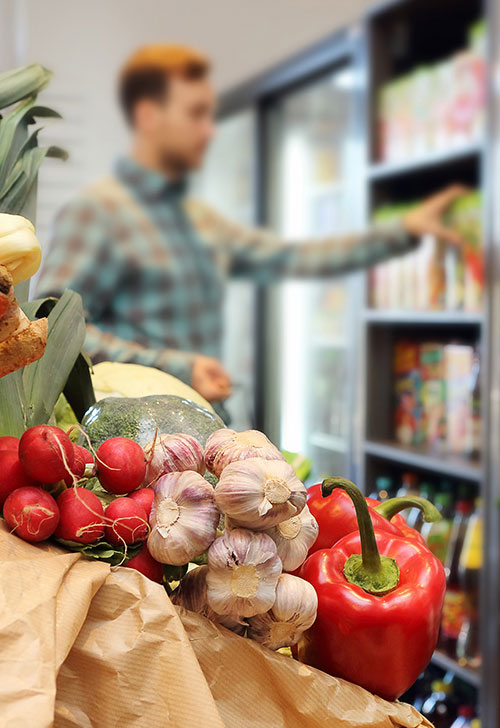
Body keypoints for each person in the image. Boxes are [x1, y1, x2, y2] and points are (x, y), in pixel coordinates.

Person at [37, 44, 466, 405]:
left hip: (204, 433)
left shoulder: (197, 218)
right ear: (149, 114)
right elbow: (53, 336)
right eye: (196, 114)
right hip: (129, 451)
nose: (209, 130)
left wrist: (403, 229)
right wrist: (178, 368)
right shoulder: (96, 211)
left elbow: (291, 257)